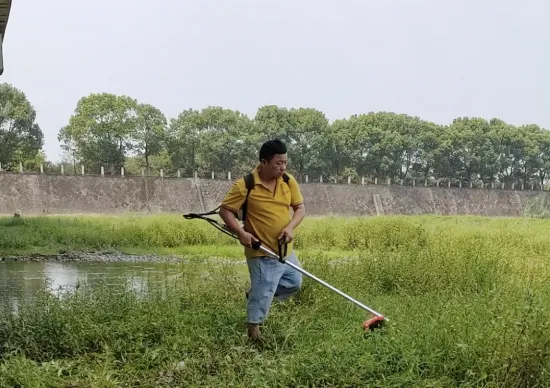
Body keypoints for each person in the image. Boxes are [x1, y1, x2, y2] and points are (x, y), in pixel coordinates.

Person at [218, 139, 306, 341]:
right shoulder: (245, 185)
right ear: (264, 162)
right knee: (264, 291)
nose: (283, 167)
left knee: (294, 282)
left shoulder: (287, 181)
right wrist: (241, 233)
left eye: (285, 162)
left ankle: (255, 295)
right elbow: (226, 211)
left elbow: (300, 208)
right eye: (278, 163)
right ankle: (253, 334)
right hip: (261, 252)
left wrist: (290, 227)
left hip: (285, 249)